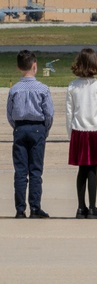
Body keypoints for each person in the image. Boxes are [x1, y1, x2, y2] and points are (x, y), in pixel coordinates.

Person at [66, 48, 97, 219]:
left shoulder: (72, 85)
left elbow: (69, 113)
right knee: (92, 170)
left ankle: (81, 207)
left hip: (78, 131)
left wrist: (70, 134)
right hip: (95, 131)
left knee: (81, 170)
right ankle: (92, 207)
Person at [6, 50, 53, 218]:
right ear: (35, 66)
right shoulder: (43, 89)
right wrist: (45, 129)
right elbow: (49, 113)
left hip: (20, 129)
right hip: (37, 128)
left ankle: (20, 210)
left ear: (18, 67)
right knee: (35, 171)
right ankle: (35, 208)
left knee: (20, 171)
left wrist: (17, 127)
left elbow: (10, 114)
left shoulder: (14, 90)